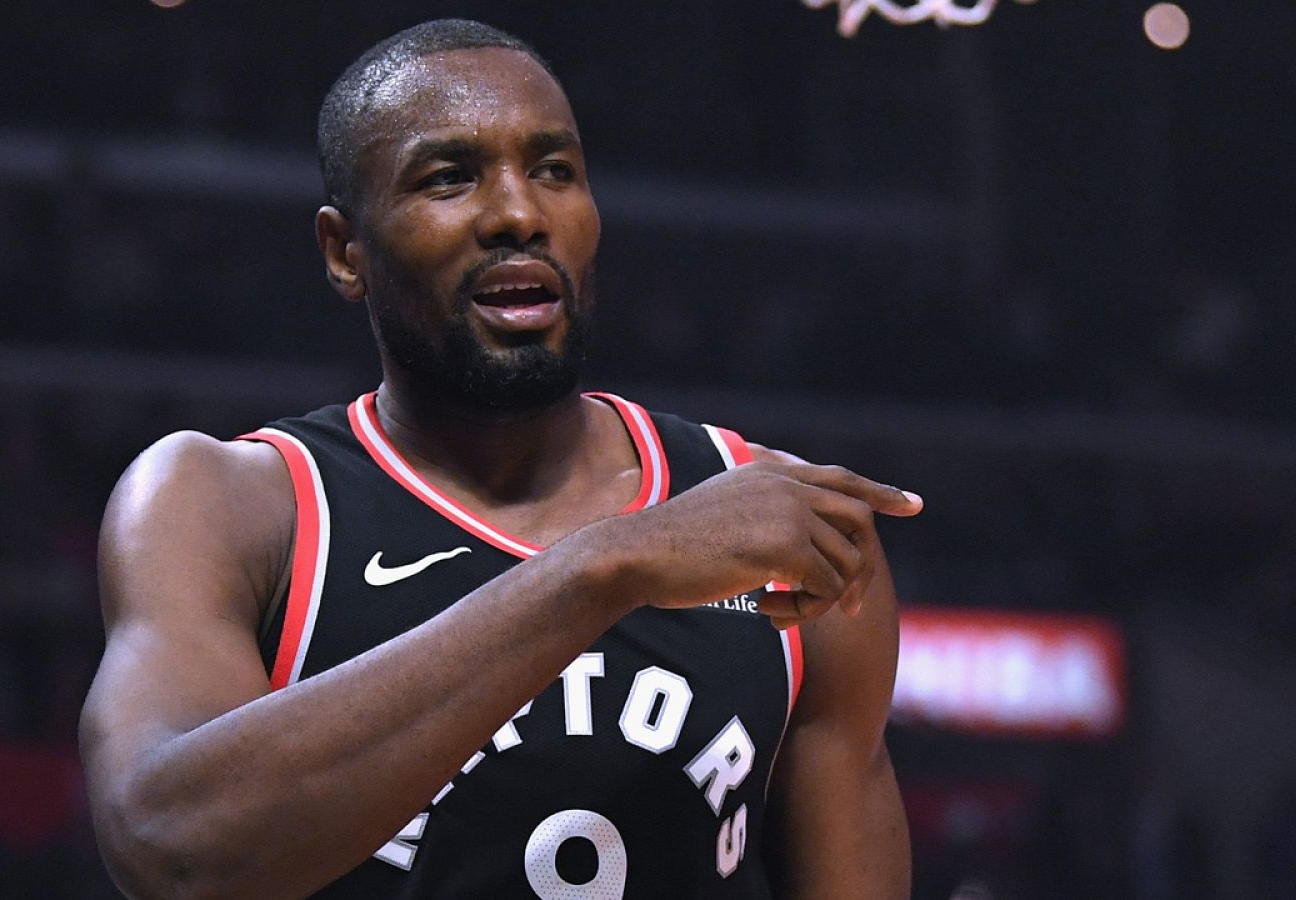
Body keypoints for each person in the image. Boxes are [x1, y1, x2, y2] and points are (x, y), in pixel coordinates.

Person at [80, 18, 921, 900]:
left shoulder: (781, 528)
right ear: (344, 252)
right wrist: (599, 567)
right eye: (450, 178)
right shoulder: (230, 505)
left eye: (556, 171)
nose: (519, 214)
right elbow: (170, 848)